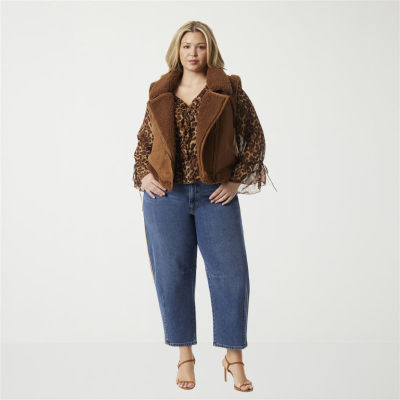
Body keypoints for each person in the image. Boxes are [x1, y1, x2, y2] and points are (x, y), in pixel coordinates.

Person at [132, 20, 277, 392]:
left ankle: (233, 357)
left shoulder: (228, 89)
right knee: (173, 274)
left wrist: (235, 180)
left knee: (231, 275)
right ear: (177, 51)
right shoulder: (160, 91)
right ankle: (185, 356)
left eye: (200, 46)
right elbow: (144, 142)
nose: (193, 53)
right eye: (187, 46)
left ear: (209, 49)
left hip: (215, 196)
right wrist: (143, 175)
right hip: (166, 196)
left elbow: (255, 137)